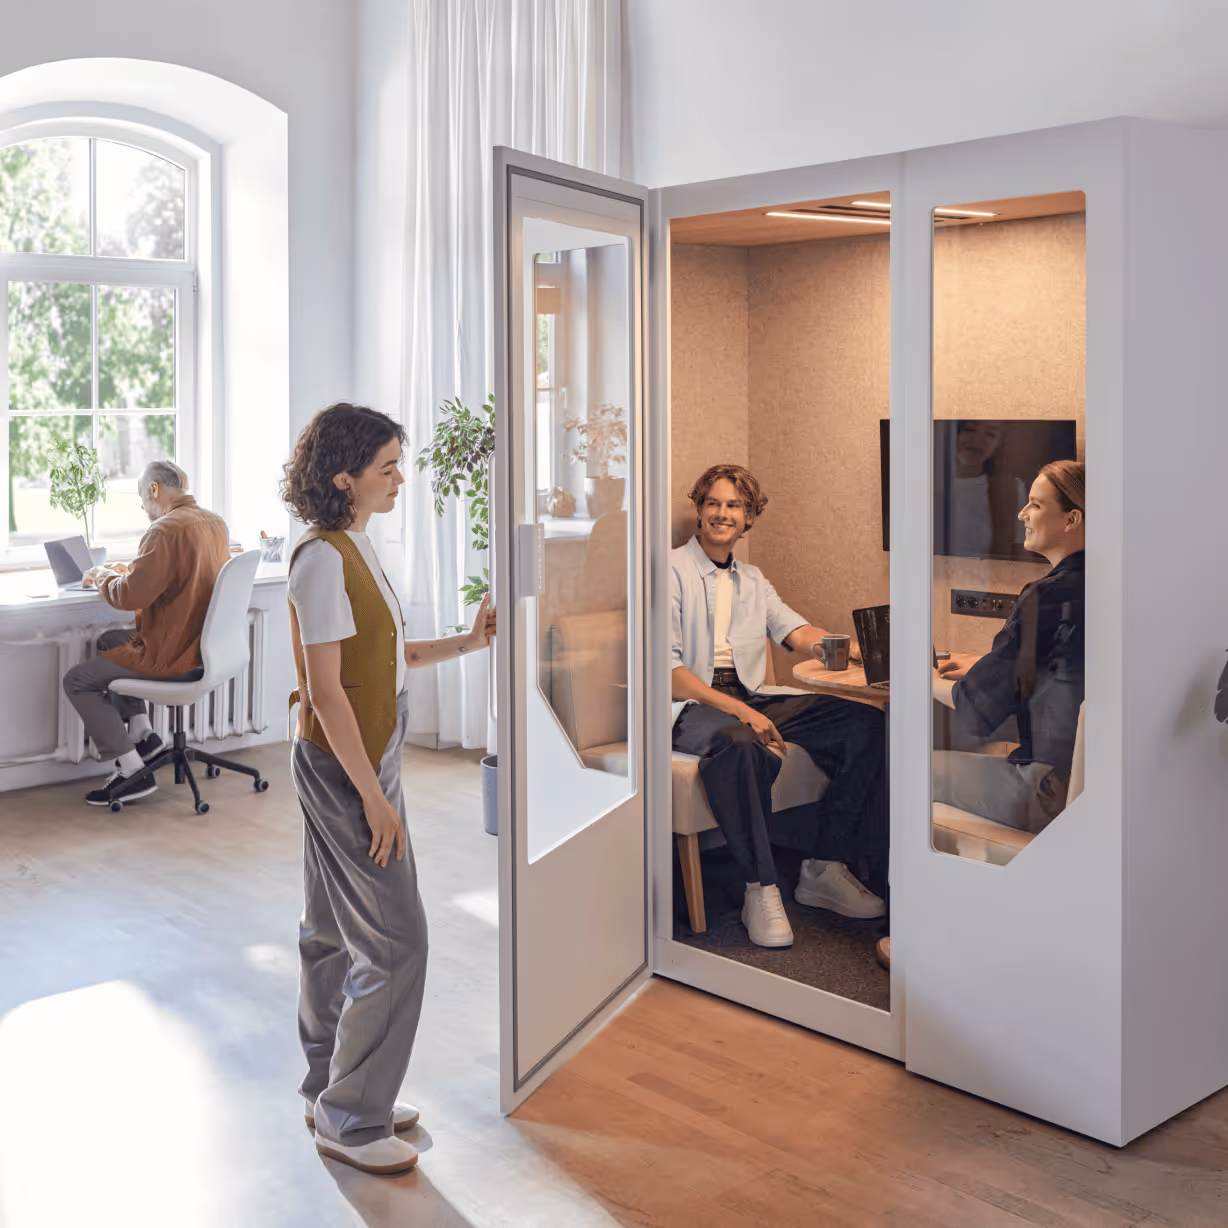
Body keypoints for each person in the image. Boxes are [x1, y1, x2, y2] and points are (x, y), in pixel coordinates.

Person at [282, 402, 494, 1177]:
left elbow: (388, 658)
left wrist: (469, 641)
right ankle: (352, 1115)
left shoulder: (357, 547)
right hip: (349, 764)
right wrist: (372, 796)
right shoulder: (320, 561)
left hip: (368, 752)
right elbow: (328, 693)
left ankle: (330, 1088)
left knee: (329, 930)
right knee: (399, 941)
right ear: (344, 478)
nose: (401, 479)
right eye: (387, 468)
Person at [671, 463, 888, 949]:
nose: (722, 513)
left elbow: (795, 630)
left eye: (734, 505)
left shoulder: (752, 579)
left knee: (866, 724)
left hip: (751, 694)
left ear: (749, 517)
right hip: (689, 705)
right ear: (699, 511)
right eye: (713, 503)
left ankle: (824, 866)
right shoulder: (670, 571)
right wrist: (740, 712)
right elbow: (669, 673)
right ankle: (760, 887)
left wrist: (851, 649)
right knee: (740, 742)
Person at [62, 460, 229, 807]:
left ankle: (132, 772)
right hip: (205, 650)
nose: (144, 509)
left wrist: (101, 576)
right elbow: (174, 577)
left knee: (77, 681)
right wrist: (122, 572)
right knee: (110, 641)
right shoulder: (215, 523)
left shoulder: (164, 530)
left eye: (142, 500)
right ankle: (143, 736)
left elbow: (129, 598)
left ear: (154, 490)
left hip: (174, 656)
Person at [933, 459, 1086, 832]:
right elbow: (1058, 672)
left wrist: (921, 680)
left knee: (908, 765)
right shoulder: (1100, 585)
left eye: (1036, 504)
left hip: (1045, 788)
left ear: (1071, 519)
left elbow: (976, 707)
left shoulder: (1046, 596)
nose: (1022, 514)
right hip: (1091, 783)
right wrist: (983, 668)